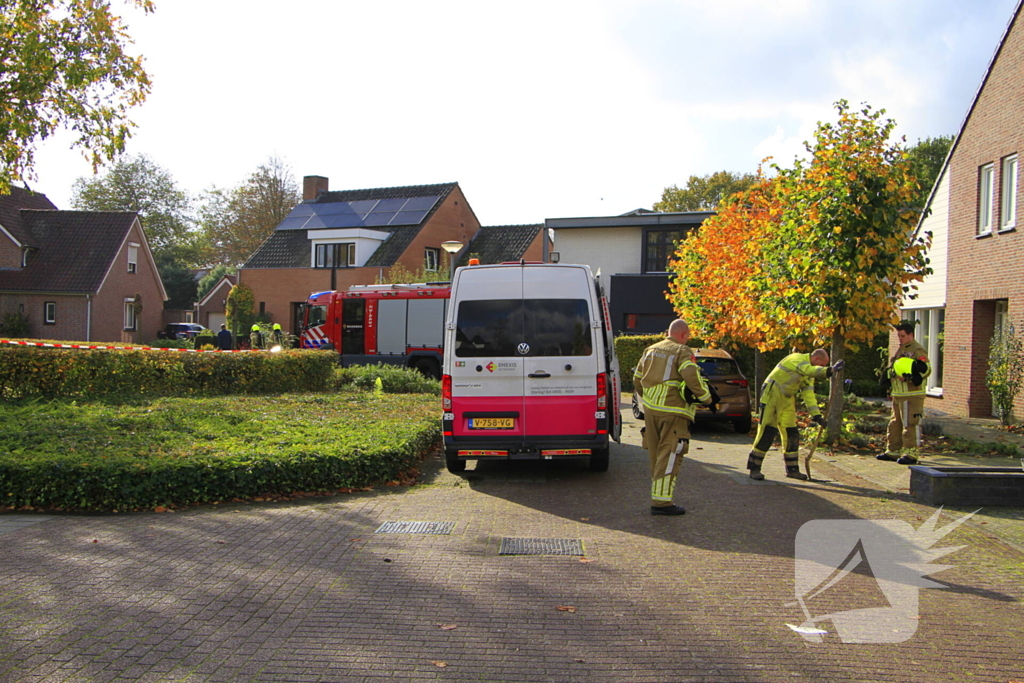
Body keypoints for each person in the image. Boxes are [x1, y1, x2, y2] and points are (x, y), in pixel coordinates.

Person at [633, 319, 718, 516]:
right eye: (687, 335)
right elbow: (690, 374)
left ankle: (659, 497)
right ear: (683, 334)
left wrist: (648, 399)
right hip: (673, 412)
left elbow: (637, 379)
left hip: (651, 412)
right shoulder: (682, 350)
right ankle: (661, 503)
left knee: (656, 454)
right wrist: (706, 399)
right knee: (670, 453)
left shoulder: (650, 350)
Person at [747, 349, 844, 481]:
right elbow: (809, 370)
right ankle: (754, 468)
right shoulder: (797, 359)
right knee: (767, 431)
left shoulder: (808, 374)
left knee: (791, 433)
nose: (820, 368)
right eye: (821, 365)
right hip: (772, 395)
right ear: (816, 360)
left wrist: (817, 415)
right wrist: (829, 370)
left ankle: (792, 470)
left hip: (787, 399)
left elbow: (808, 394)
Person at [877, 322, 930, 465]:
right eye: (898, 336)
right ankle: (893, 451)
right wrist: (889, 385)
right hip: (898, 395)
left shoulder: (917, 350)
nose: (900, 338)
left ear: (910, 335)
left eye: (902, 336)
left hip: (912, 395)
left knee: (910, 424)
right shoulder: (901, 349)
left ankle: (911, 454)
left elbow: (925, 369)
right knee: (895, 424)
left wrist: (909, 376)